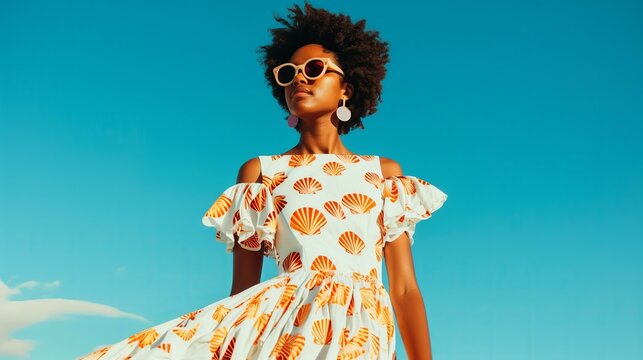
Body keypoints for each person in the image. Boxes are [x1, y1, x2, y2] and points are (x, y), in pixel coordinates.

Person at [78, 2, 447, 359]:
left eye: (315, 68)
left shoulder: (384, 174)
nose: (300, 77)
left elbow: (402, 288)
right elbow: (242, 294)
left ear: (346, 88)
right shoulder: (260, 173)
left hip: (365, 333)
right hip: (288, 335)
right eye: (288, 73)